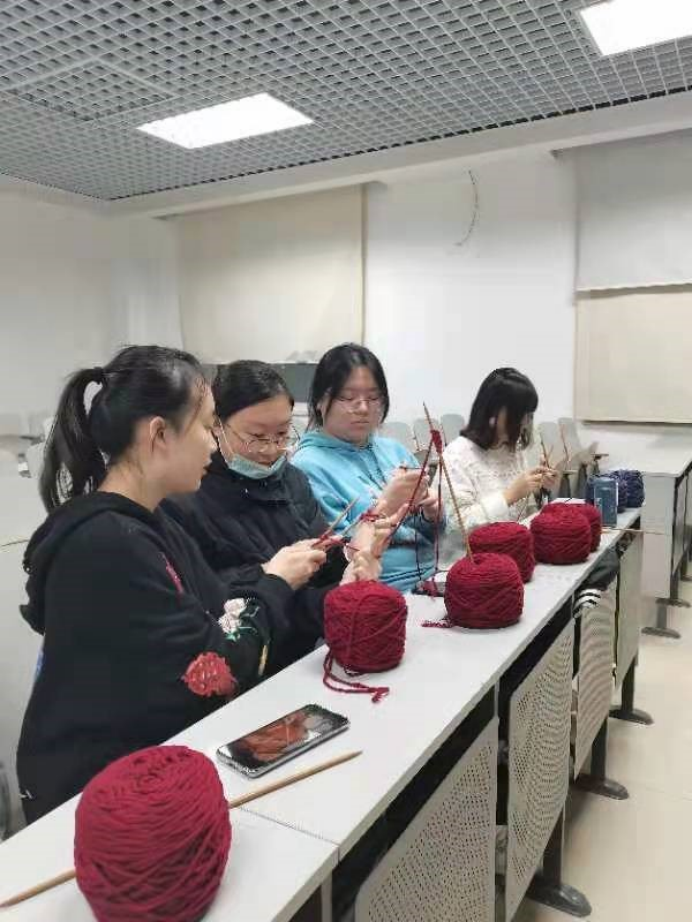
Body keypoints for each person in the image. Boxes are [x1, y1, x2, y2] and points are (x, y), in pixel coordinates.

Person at [16, 346, 297, 823]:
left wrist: (270, 579)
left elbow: (216, 609)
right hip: (96, 797)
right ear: (160, 434)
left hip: (152, 763)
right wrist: (276, 583)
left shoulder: (151, 522)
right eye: (206, 426)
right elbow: (220, 666)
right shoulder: (109, 544)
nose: (213, 445)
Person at [164, 361, 382, 671]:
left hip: (309, 649)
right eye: (256, 436)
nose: (270, 449)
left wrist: (350, 556)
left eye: (281, 434)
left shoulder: (292, 480)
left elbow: (318, 560)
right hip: (248, 660)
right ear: (216, 426)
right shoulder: (188, 495)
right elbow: (214, 602)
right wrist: (274, 575)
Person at [292, 344, 443, 593]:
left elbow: (430, 535)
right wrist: (386, 505)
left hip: (432, 575)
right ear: (320, 400)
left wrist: (431, 514)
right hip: (379, 588)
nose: (363, 408)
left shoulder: (394, 450)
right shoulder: (307, 467)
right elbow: (334, 559)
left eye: (373, 398)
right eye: (348, 398)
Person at [438, 367, 558, 535]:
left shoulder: (513, 452)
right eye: (519, 415)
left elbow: (525, 514)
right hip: (474, 550)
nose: (525, 423)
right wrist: (509, 496)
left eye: (528, 415)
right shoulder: (456, 456)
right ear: (492, 413)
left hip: (514, 543)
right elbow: (455, 526)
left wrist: (538, 489)